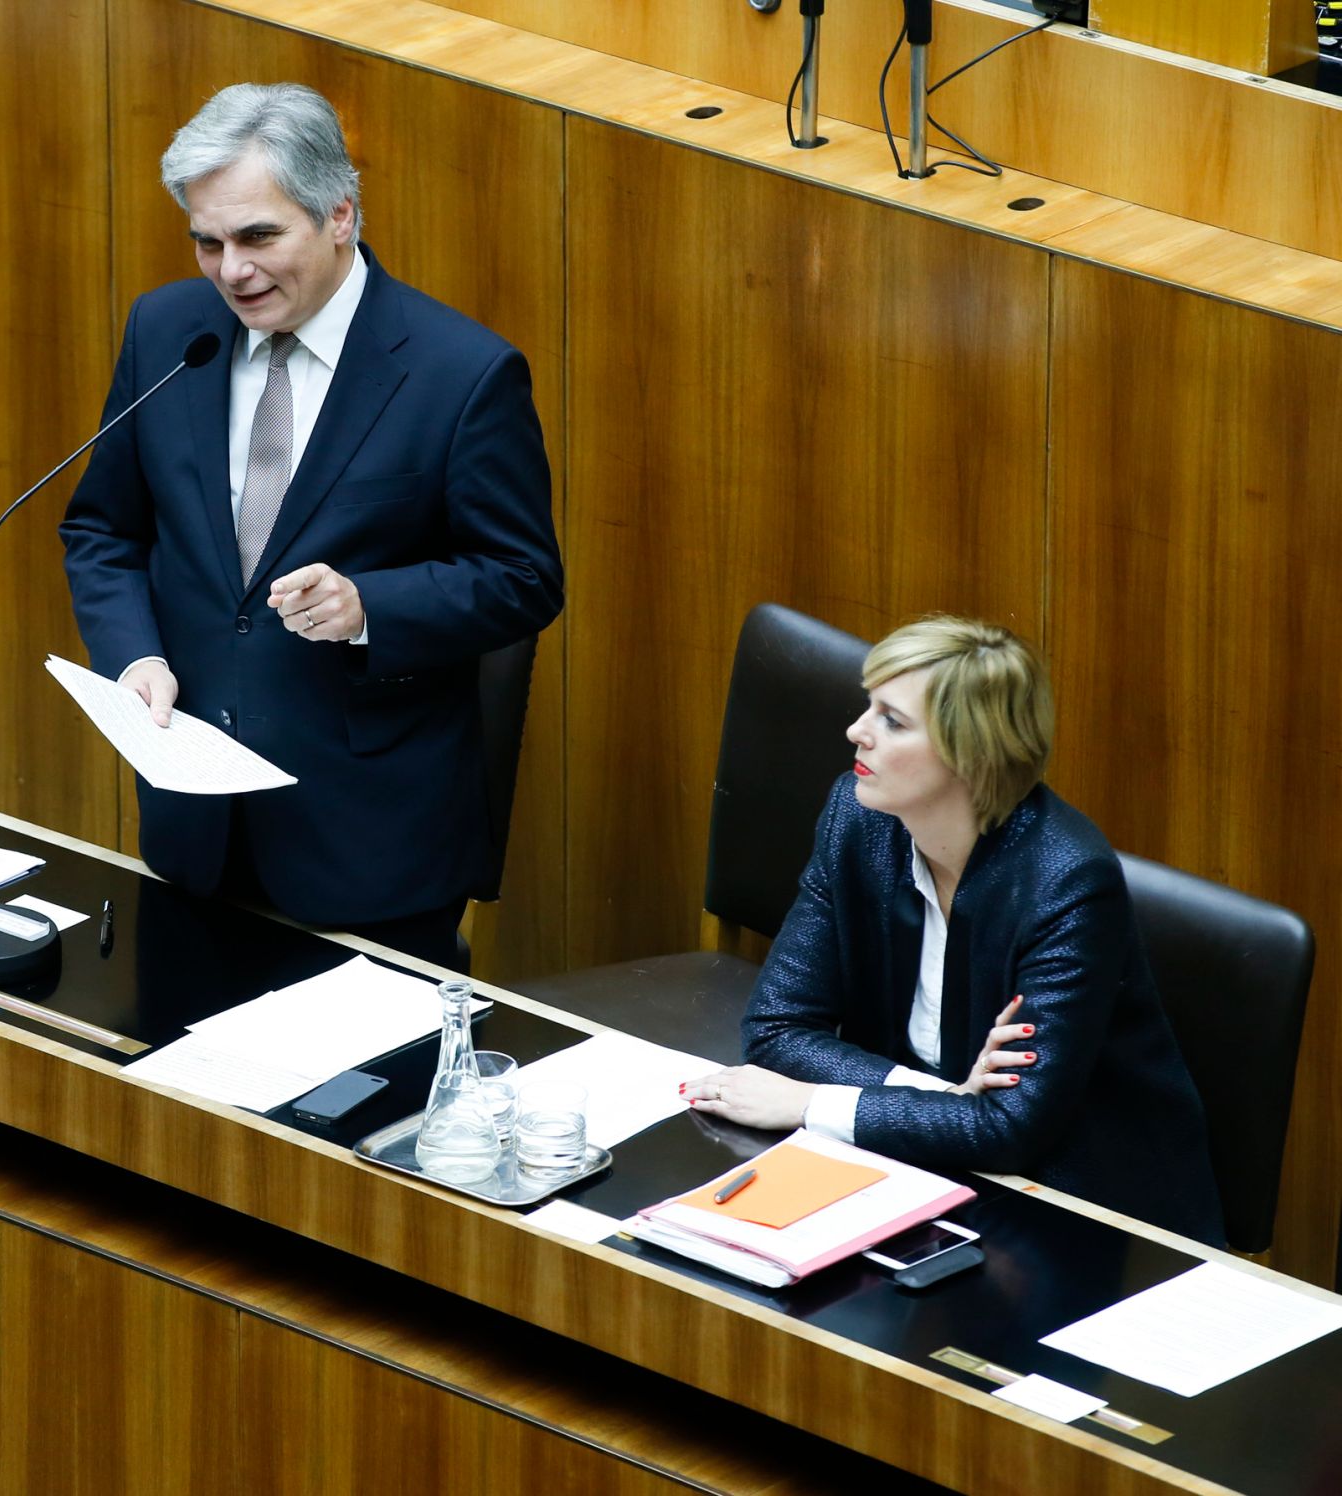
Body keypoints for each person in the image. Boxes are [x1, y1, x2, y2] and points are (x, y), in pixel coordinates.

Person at [60, 83, 563, 966]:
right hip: (195, 831)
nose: (232, 271)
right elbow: (105, 532)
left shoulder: (462, 373)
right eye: (207, 242)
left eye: (259, 236)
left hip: (369, 848)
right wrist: (134, 658)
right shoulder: (169, 330)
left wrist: (368, 605)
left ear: (341, 215)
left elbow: (522, 578)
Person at [681, 616, 1225, 1244]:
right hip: (926, 1163)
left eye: (892, 720)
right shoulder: (859, 820)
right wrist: (939, 1097)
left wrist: (808, 1103)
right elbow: (776, 1030)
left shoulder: (1067, 884)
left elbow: (1013, 1132)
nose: (856, 732)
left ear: (971, 755)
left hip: (1085, 1212)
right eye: (869, 707)